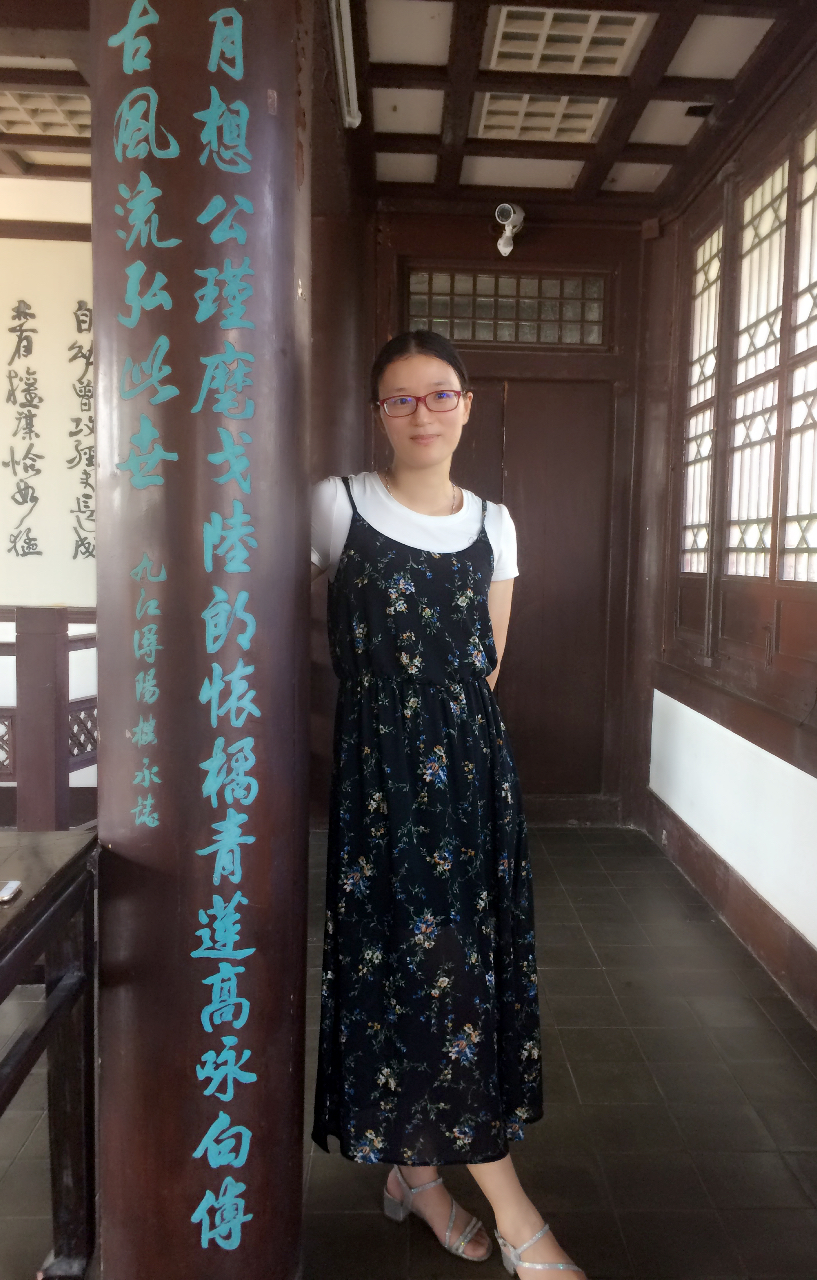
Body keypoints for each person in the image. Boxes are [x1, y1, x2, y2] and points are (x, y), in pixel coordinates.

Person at [309, 330, 586, 1276]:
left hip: (470, 782)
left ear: (466, 405)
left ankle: (416, 1174)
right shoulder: (337, 506)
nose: (421, 413)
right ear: (377, 413)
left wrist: (448, 751)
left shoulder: (496, 523)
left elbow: (486, 665)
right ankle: (513, 1218)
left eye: (439, 395)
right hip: (380, 784)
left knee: (460, 970)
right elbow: (255, 620)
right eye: (400, 398)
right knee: (416, 971)